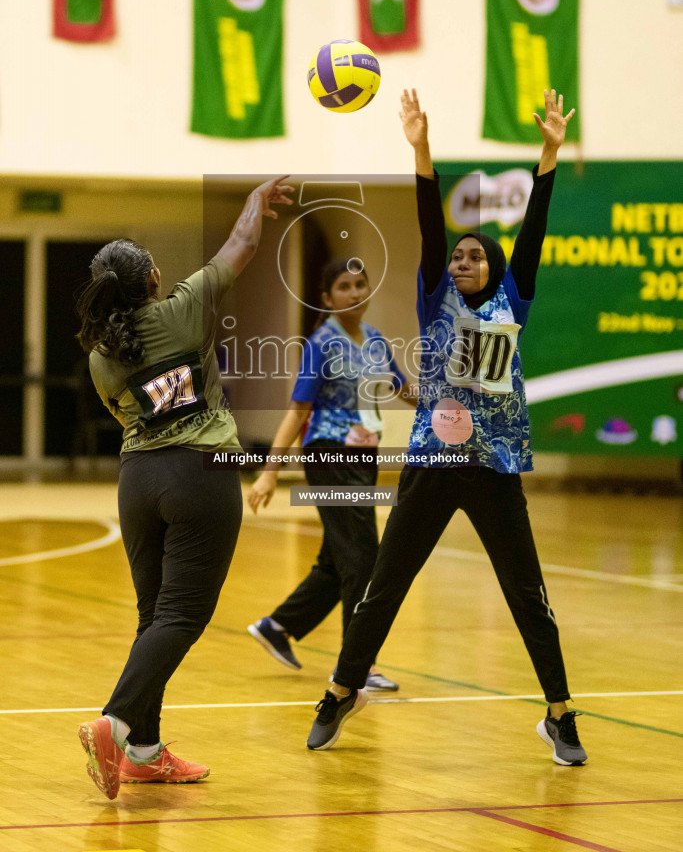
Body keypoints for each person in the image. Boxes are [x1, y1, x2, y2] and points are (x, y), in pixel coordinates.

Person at [306, 89, 588, 769]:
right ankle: (341, 690)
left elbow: (535, 228)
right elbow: (428, 224)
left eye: (472, 256)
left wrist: (549, 151)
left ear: (491, 267)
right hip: (430, 464)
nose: (460, 260)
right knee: (383, 587)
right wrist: (419, 149)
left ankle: (558, 714)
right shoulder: (433, 294)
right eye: (454, 256)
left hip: (494, 469)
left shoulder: (510, 299)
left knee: (528, 596)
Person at [75, 176, 293, 800]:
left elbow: (125, 415)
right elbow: (242, 243)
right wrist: (257, 199)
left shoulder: (99, 354)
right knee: (182, 616)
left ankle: (143, 750)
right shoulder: (183, 308)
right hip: (201, 473)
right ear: (149, 280)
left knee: (154, 617)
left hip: (138, 480)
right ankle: (115, 724)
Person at [248, 258, 416, 691]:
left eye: (361, 284)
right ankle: (358, 666)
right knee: (363, 557)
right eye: (344, 286)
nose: (355, 293)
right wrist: (269, 472)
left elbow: (402, 388)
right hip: (328, 457)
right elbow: (298, 410)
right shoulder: (321, 343)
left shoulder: (376, 341)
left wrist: (449, 408)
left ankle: (278, 627)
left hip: (364, 460)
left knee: (338, 558)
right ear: (326, 297)